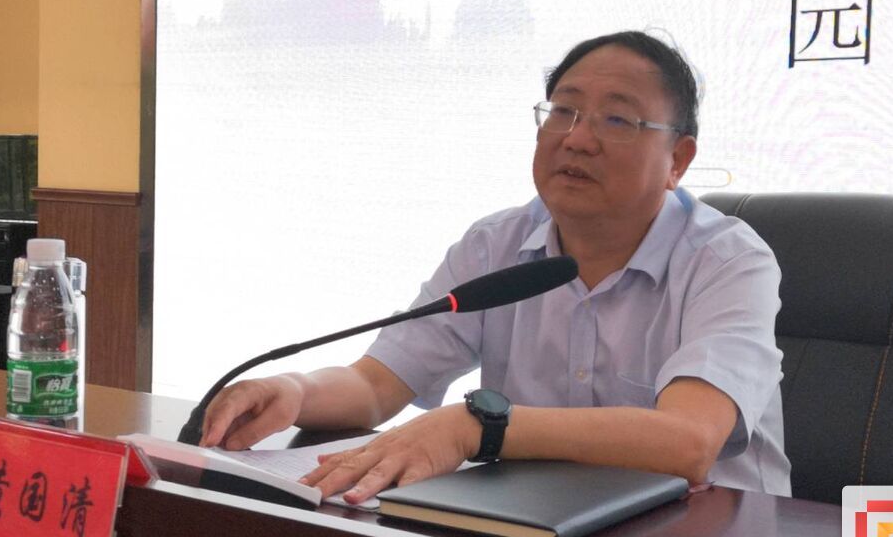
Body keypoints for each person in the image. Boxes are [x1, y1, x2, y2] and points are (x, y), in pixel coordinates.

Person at [201, 30, 792, 504]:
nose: (577, 139)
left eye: (617, 120)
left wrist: (480, 427)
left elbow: (688, 441)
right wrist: (294, 391)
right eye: (564, 111)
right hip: (539, 524)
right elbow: (377, 385)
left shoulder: (728, 261)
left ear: (678, 159)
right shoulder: (495, 244)